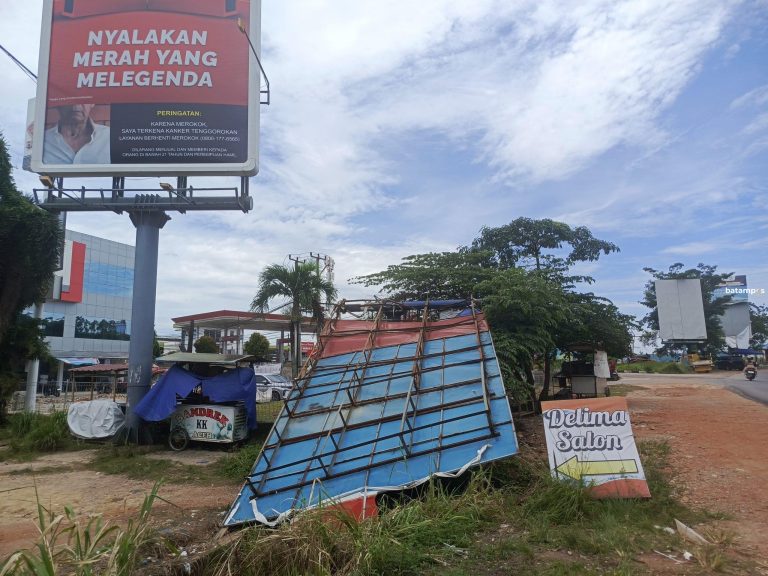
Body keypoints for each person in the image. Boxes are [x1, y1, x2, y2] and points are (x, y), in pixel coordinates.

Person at [43, 104, 110, 164]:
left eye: (83, 98)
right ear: (58, 104)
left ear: (92, 103)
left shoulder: (109, 137)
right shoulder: (42, 141)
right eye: (69, 99)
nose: (76, 106)